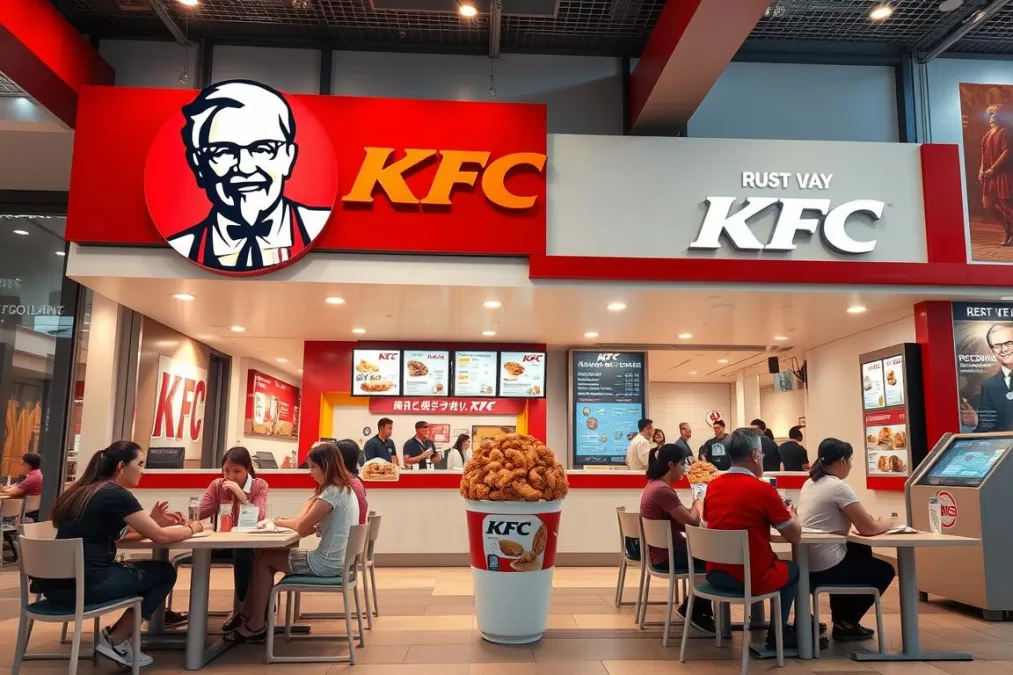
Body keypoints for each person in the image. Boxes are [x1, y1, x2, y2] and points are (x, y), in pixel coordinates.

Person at [43, 441, 204, 667]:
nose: (143, 470)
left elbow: (121, 536)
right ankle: (117, 640)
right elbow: (161, 538)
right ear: (121, 466)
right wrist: (192, 529)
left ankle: (119, 637)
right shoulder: (115, 493)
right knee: (164, 572)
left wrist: (153, 523)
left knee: (152, 570)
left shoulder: (83, 491)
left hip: (56, 587)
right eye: (140, 464)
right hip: (86, 586)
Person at [168, 80, 331, 272]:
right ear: (198, 165)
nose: (245, 168)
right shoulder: (185, 244)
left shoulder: (314, 225)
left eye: (262, 149)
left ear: (288, 157)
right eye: (223, 152)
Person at [229, 442, 360, 642]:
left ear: (326, 466)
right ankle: (250, 615)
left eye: (313, 467)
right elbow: (307, 524)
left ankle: (255, 624)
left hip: (325, 564)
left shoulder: (332, 492)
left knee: (264, 560)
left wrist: (277, 521)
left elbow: (301, 526)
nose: (310, 472)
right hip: (339, 562)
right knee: (264, 555)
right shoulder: (345, 490)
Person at [702, 428, 811, 650]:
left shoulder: (712, 487)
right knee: (792, 570)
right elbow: (794, 536)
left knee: (765, 561)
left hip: (715, 574)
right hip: (749, 578)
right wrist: (793, 515)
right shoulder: (763, 490)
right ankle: (778, 635)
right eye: (761, 455)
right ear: (754, 455)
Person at [799, 438, 895, 642]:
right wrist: (890, 521)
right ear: (842, 461)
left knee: (859, 551)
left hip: (808, 563)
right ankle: (846, 622)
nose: (851, 466)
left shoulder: (810, 482)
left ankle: (845, 621)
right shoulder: (838, 487)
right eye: (850, 461)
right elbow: (868, 528)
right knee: (885, 570)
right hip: (827, 566)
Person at [640, 443, 714, 633]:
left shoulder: (653, 486)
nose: (685, 470)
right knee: (717, 560)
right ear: (671, 465)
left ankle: (694, 607)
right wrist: (699, 499)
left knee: (709, 554)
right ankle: (697, 610)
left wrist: (693, 508)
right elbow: (692, 521)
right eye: (683, 464)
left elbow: (683, 519)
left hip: (661, 552)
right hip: (669, 556)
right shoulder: (663, 491)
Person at [197, 446, 270, 632]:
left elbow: (259, 516)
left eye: (237, 471)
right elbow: (198, 513)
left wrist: (240, 494)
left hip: (248, 543)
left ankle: (244, 609)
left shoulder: (259, 485)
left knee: (244, 553)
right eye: (226, 470)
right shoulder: (217, 485)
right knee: (200, 553)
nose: (230, 476)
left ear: (248, 469)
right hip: (221, 540)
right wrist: (208, 505)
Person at [961, 324, 1013, 432]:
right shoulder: (989, 385)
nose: (1004, 349)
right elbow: (987, 427)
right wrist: (976, 423)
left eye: (1009, 343)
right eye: (997, 346)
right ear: (993, 351)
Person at [978, 103, 1013, 246]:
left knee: (1005, 205)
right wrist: (981, 169)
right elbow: (983, 154)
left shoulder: (1005, 131)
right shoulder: (986, 135)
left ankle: (1008, 233)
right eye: (990, 114)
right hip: (989, 175)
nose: (991, 117)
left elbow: (1007, 151)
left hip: (1002, 174)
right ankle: (1008, 229)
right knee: (988, 204)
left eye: (994, 114)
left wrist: (993, 168)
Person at [333, 439, 368, 524]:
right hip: (357, 534)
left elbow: (305, 524)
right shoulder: (357, 481)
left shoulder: (342, 484)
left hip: (346, 535)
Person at [2, 452, 43, 518]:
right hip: (31, 510)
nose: (20, 466)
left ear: (29, 466)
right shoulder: (37, 475)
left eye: (22, 464)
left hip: (24, 511)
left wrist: (4, 489)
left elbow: (12, 492)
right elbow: (14, 487)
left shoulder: (32, 478)